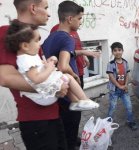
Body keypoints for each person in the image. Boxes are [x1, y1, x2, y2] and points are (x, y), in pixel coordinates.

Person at [0, 0, 69, 149]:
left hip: (52, 114)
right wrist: (54, 88)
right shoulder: (9, 32)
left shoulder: (31, 35)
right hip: (36, 121)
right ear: (33, 8)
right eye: (45, 8)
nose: (49, 13)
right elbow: (6, 77)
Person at [5, 20, 99, 110]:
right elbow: (36, 79)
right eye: (37, 41)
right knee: (68, 77)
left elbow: (37, 68)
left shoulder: (28, 56)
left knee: (64, 78)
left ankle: (75, 102)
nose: (39, 44)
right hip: (43, 96)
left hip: (42, 92)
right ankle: (85, 100)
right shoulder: (26, 60)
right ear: (25, 46)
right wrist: (49, 68)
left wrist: (47, 62)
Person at [41, 1, 87, 149]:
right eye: (79, 18)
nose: (81, 22)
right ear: (70, 19)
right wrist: (75, 76)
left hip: (59, 94)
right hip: (69, 95)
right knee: (71, 130)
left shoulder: (49, 39)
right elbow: (63, 65)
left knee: (63, 131)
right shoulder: (67, 38)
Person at [50, 24, 101, 89]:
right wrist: (83, 52)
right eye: (79, 18)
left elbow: (78, 45)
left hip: (79, 69)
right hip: (69, 72)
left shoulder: (74, 29)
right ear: (70, 18)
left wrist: (84, 56)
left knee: (80, 90)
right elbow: (59, 53)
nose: (80, 23)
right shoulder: (57, 29)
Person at [106, 42, 137, 130]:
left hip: (124, 90)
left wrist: (126, 85)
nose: (117, 52)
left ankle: (130, 121)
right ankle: (107, 124)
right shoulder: (110, 64)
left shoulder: (125, 62)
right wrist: (119, 86)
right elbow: (111, 77)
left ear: (122, 51)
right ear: (112, 52)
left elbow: (127, 74)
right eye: (115, 50)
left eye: (119, 50)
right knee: (112, 107)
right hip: (114, 90)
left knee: (129, 106)